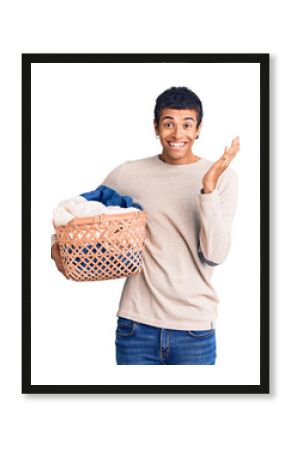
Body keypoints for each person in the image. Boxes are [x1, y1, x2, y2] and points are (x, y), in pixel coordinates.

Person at [51, 86, 240, 365]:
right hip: (135, 327)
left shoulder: (222, 177)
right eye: (168, 124)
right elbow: (83, 212)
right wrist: (57, 245)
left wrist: (208, 190)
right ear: (155, 127)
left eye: (187, 124)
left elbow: (215, 254)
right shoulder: (129, 173)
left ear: (198, 129)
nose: (178, 134)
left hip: (194, 330)